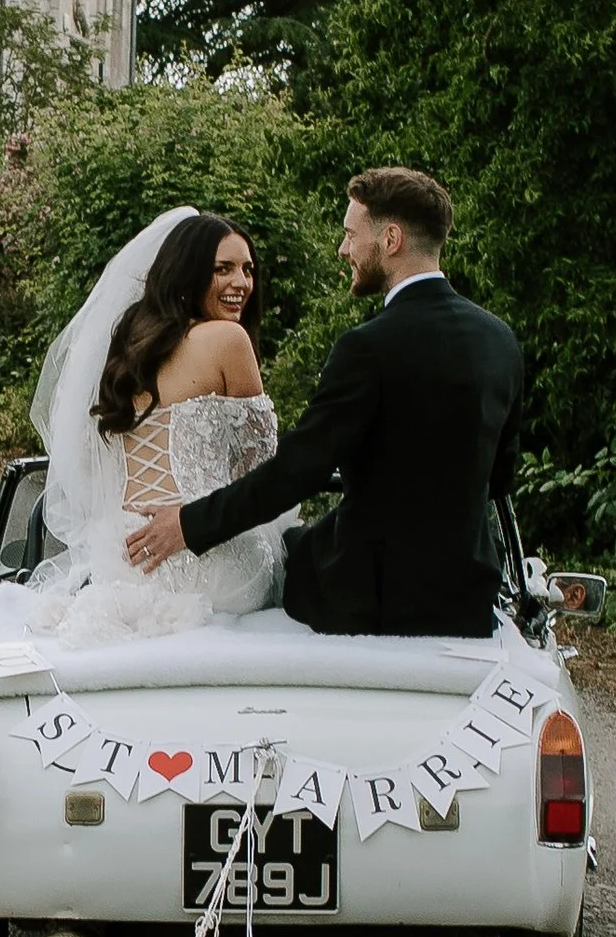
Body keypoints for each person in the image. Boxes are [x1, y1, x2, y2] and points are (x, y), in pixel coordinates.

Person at [126, 165, 522, 635]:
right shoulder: (501, 342)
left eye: (352, 235)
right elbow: (499, 479)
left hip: (366, 598)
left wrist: (189, 525)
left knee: (287, 550)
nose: (343, 248)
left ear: (390, 239)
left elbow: (296, 472)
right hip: (465, 600)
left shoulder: (368, 347)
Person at [0, 206, 287, 644]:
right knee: (281, 552)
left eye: (248, 269)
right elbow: (261, 470)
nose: (241, 283)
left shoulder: (129, 346)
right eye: (223, 269)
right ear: (189, 273)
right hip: (204, 557)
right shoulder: (229, 340)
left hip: (121, 555)